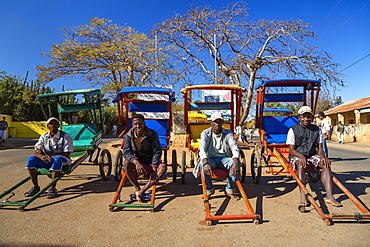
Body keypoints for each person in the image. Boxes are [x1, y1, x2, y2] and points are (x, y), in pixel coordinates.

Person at [286, 106, 341, 207]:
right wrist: (301, 156)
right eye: (303, 117)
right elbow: (291, 149)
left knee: (326, 164)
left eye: (308, 117)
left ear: (311, 118)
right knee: (301, 164)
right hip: (297, 154)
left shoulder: (317, 130)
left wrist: (323, 157)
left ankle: (330, 196)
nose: (306, 119)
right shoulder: (292, 130)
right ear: (299, 117)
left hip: (311, 155)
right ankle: (303, 195)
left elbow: (320, 148)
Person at [195, 111, 241, 200]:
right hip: (210, 159)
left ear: (223, 122)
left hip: (224, 158)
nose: (217, 124)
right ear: (211, 123)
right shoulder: (205, 133)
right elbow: (202, 149)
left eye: (220, 121)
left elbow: (234, 146)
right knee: (202, 164)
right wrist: (205, 162)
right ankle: (209, 190)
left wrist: (236, 161)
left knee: (235, 163)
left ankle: (229, 190)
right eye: (215, 121)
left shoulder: (228, 133)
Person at [24, 117, 74, 198]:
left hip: (62, 159)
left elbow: (66, 153)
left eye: (55, 123)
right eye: (51, 124)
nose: (53, 125)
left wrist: (50, 157)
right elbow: (37, 150)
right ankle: (36, 187)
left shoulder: (65, 136)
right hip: (47, 160)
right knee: (31, 159)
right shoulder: (44, 136)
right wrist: (42, 156)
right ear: (48, 126)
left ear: (58, 125)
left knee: (57, 160)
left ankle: (52, 188)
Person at [122, 114, 167, 202]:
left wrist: (154, 166)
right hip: (138, 162)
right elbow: (126, 152)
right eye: (135, 124)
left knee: (163, 168)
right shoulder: (128, 136)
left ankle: (142, 191)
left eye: (140, 123)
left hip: (151, 161)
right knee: (126, 163)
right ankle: (137, 189)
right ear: (133, 125)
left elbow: (157, 151)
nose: (138, 126)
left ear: (144, 123)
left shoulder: (152, 134)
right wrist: (136, 162)